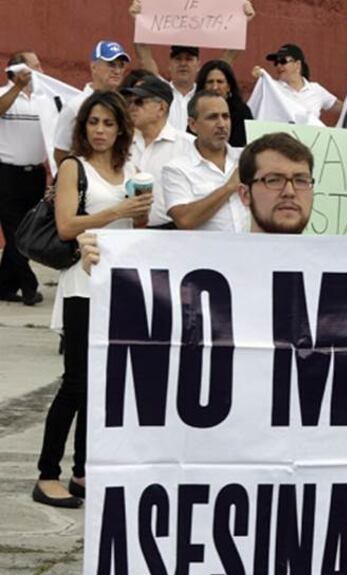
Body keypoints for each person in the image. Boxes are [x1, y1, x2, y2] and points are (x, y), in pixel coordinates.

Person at [34, 90, 150, 509]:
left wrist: (138, 213)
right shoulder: (73, 167)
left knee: (102, 387)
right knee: (76, 382)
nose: (100, 131)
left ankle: (83, 470)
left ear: (121, 128)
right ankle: (48, 473)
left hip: (117, 285)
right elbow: (67, 226)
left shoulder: (131, 168)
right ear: (83, 127)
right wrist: (118, 210)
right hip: (82, 285)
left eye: (108, 123)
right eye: (93, 122)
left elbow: (136, 226)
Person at [79, 133, 318, 275]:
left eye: (301, 180)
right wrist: (108, 271)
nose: (289, 191)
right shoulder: (205, 266)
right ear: (244, 194)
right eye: (273, 180)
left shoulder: (339, 268)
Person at [128, 0, 255, 131]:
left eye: (189, 59)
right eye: (178, 59)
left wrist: (242, 22)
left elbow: (228, 59)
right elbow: (144, 57)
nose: (183, 63)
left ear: (198, 64)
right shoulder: (159, 90)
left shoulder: (205, 93)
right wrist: (139, 22)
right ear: (169, 64)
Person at [161, 91, 247, 232]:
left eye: (225, 117)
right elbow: (184, 220)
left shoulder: (247, 158)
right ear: (193, 125)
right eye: (212, 117)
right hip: (206, 252)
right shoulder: (176, 169)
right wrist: (229, 187)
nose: (221, 124)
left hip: (252, 249)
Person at [0, 52, 47, 306]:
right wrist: (17, 87)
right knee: (15, 232)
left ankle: (4, 284)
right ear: (18, 69)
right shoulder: (4, 94)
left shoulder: (44, 100)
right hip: (6, 174)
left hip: (36, 175)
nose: (40, 69)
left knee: (26, 232)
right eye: (35, 65)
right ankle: (30, 287)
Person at [123, 76, 195, 229]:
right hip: (125, 231)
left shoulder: (188, 146)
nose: (132, 107)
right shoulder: (120, 144)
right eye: (129, 102)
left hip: (171, 234)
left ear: (161, 108)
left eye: (139, 102)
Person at [54, 40, 131, 165]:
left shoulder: (123, 104)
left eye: (121, 65)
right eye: (111, 64)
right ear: (93, 67)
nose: (117, 71)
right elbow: (61, 152)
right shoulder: (75, 106)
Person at [259, 43, 343, 123]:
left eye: (283, 61)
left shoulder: (316, 89)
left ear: (298, 65)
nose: (278, 66)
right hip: (283, 137)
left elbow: (343, 108)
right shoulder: (273, 88)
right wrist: (260, 76)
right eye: (276, 62)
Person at [196, 60, 253, 148]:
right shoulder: (195, 109)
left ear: (229, 86)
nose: (215, 87)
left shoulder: (242, 112)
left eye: (220, 82)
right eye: (210, 82)